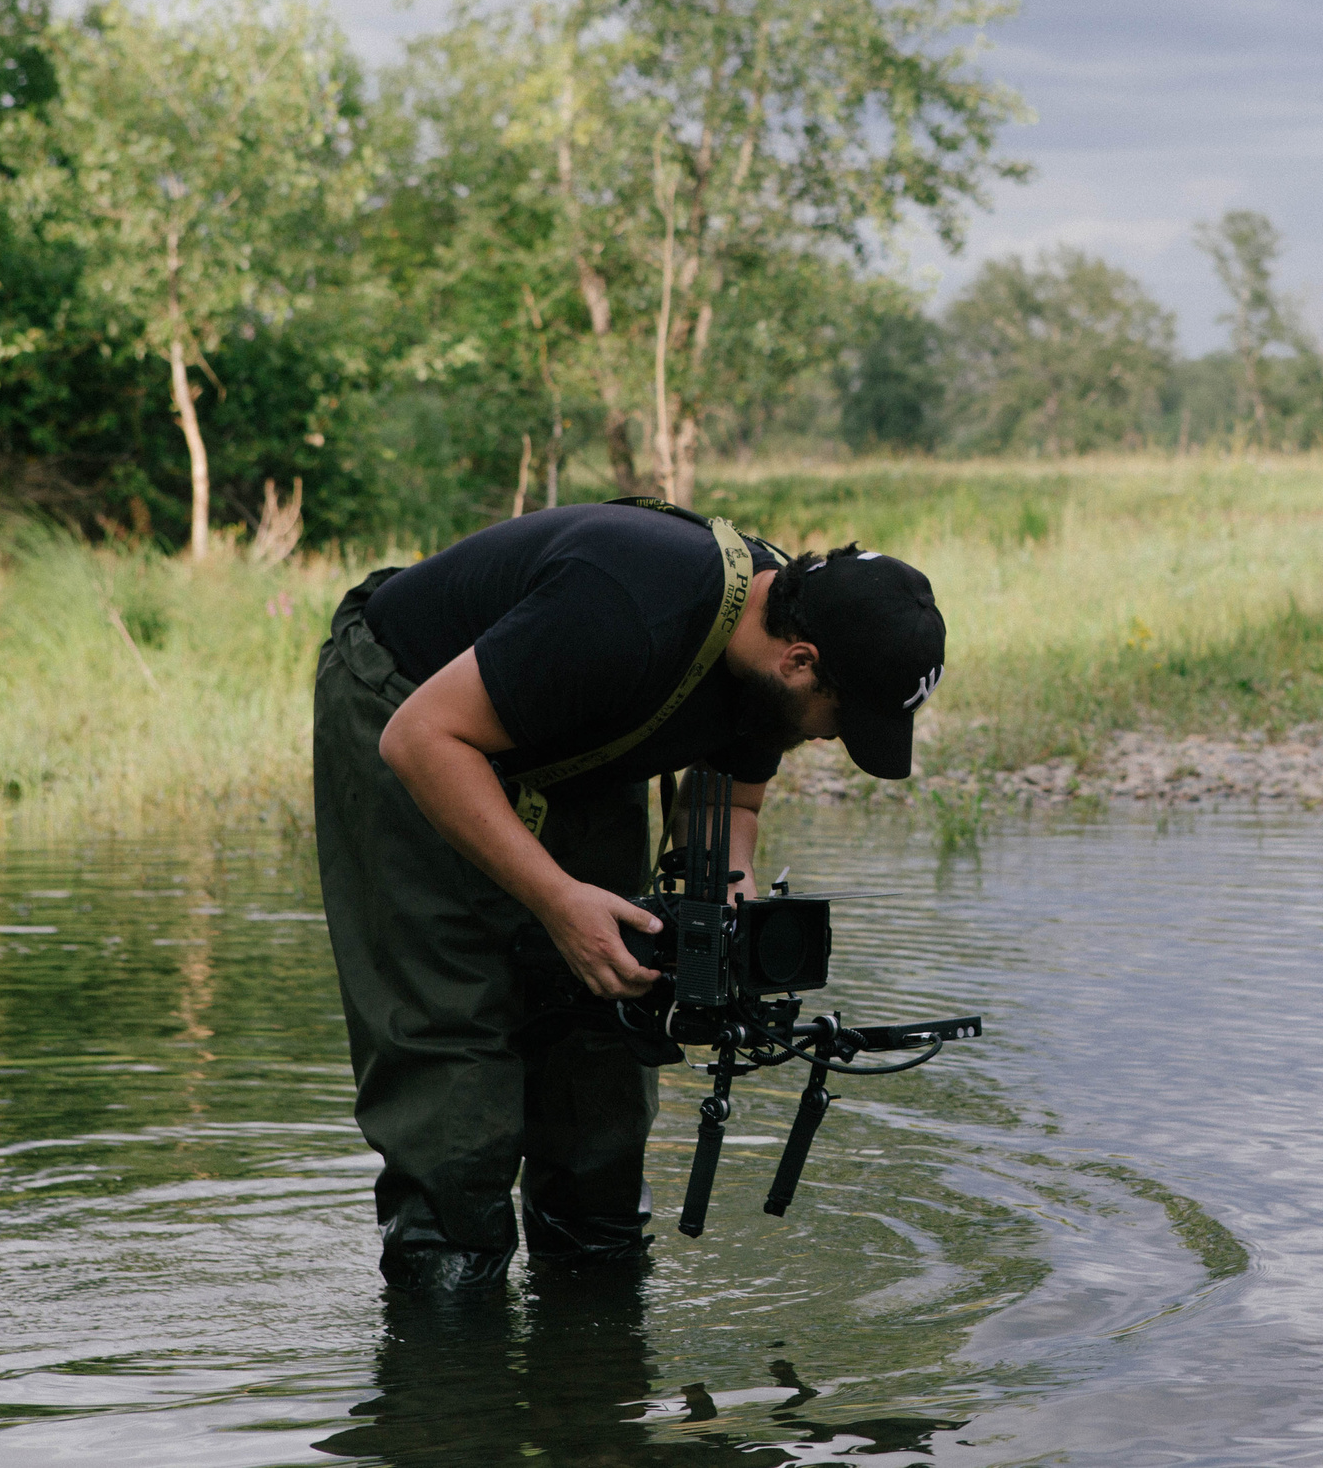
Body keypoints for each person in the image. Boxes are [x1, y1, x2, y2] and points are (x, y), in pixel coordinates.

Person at [312, 497, 947, 1291]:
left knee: (612, 1004)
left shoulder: (778, 634)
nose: (828, 738)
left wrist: (727, 909)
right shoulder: (625, 609)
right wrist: (556, 899)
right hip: (411, 706)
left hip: (582, 731)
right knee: (453, 1036)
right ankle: (450, 1331)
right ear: (801, 661)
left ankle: (595, 1314)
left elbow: (733, 797)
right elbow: (420, 736)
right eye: (839, 720)